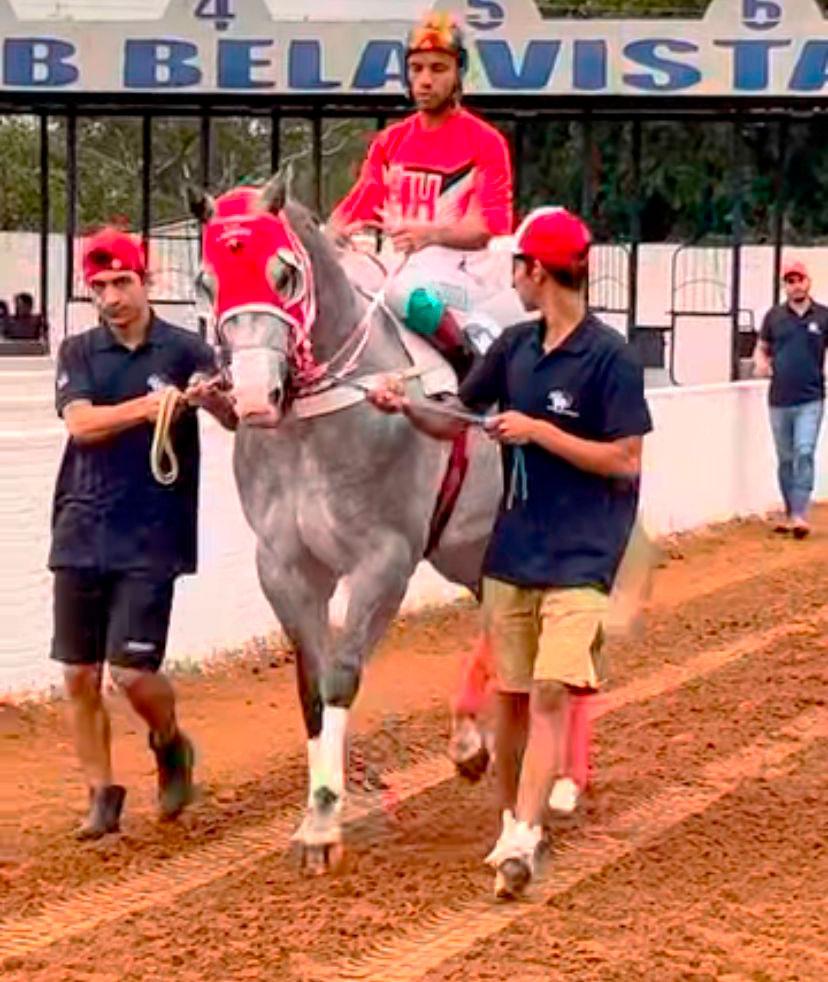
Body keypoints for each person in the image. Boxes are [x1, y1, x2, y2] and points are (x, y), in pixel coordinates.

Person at [368, 207, 652, 899]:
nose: (512, 279)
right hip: (515, 549)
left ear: (539, 271)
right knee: (513, 697)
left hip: (585, 552)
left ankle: (525, 832)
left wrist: (538, 431)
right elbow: (454, 419)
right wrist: (403, 406)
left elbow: (625, 460)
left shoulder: (611, 357)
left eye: (517, 267)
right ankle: (510, 820)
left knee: (552, 689)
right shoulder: (515, 347)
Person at [49, 227, 237, 840]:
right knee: (79, 673)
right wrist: (151, 407)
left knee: (130, 673)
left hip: (152, 531)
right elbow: (81, 425)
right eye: (99, 286)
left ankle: (169, 740)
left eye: (122, 282)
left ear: (146, 281)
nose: (111, 297)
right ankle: (101, 793)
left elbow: (236, 419)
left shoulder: (185, 349)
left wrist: (212, 400)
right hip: (81, 524)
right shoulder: (79, 351)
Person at [328, 11, 514, 375]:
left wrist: (429, 235)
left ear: (459, 72)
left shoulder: (485, 142)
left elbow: (488, 228)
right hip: (396, 271)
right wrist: (317, 245)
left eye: (438, 68)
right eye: (416, 68)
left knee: (405, 291)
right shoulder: (391, 142)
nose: (425, 80)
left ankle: (470, 367)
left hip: (465, 288)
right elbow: (353, 210)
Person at [754, 261, 828, 539]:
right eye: (790, 281)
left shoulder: (823, 316)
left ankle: (800, 514)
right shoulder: (774, 317)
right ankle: (790, 512)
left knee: (804, 451)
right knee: (785, 457)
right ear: (785, 286)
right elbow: (761, 348)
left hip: (811, 397)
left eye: (799, 280)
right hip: (779, 399)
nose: (795, 286)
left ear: (808, 282)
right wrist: (761, 363)